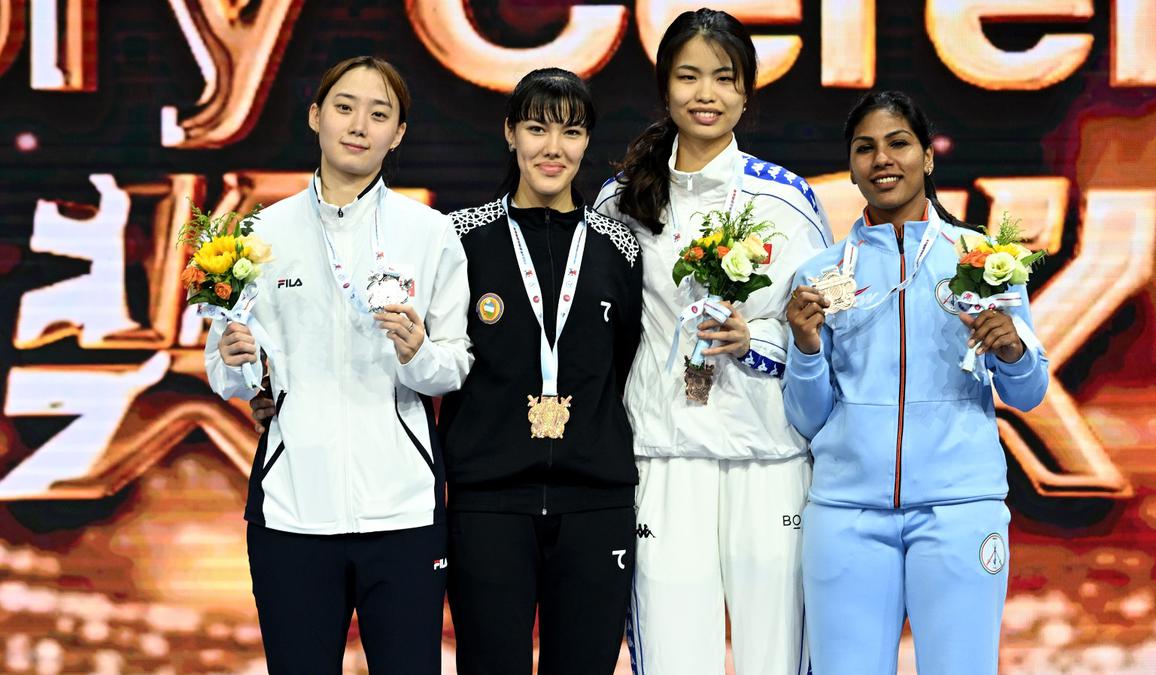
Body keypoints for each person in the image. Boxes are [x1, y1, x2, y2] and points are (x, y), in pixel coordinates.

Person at [205, 55, 471, 674]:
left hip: (403, 511)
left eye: (380, 114)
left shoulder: (429, 234)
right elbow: (228, 372)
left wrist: (417, 352)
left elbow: (453, 368)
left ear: (398, 133)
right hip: (293, 510)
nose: (359, 125)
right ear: (315, 117)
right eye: (345, 108)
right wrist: (234, 363)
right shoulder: (258, 234)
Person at [594, 9, 831, 674]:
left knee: (778, 657)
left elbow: (822, 321)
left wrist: (750, 339)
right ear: (664, 86)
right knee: (672, 659)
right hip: (665, 458)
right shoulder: (622, 201)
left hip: (770, 457)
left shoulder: (786, 198)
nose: (706, 94)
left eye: (723, 79)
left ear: (747, 91)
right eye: (688, 76)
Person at [783, 90, 1050, 674]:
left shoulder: (985, 259)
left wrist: (1011, 350)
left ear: (927, 157)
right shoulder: (819, 275)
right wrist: (805, 349)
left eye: (898, 143)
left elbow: (1028, 393)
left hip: (959, 512)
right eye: (866, 148)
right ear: (851, 167)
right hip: (848, 515)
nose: (883, 159)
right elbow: (807, 418)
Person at [439, 67, 643, 675]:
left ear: (587, 143)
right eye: (536, 129)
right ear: (510, 134)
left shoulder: (619, 247)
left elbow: (624, 361)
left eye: (571, 132)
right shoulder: (460, 238)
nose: (553, 149)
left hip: (595, 502)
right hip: (488, 500)